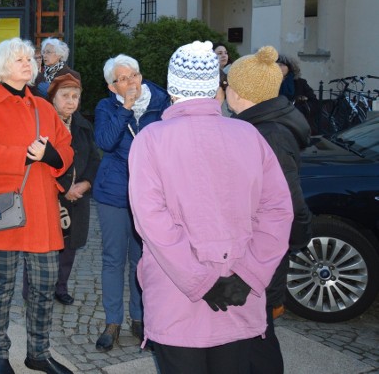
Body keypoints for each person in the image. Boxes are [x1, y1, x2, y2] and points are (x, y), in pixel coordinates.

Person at [128, 41, 293, 374]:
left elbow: (152, 223)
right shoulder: (248, 135)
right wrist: (249, 275)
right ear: (215, 88)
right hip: (239, 294)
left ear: (173, 88)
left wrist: (201, 281)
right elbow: (277, 213)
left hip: (178, 295)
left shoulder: (151, 139)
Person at [0, 37, 73, 374]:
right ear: (1, 66)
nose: (29, 64)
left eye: (31, 59)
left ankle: (38, 353)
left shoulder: (43, 106)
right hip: (4, 210)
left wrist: (51, 156)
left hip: (41, 211)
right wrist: (28, 155)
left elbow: (65, 147)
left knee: (44, 286)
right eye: (20, 60)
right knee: (0, 286)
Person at [226, 46, 312, 374]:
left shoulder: (268, 134)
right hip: (263, 251)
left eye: (230, 85)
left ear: (243, 93)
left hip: (265, 255)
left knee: (258, 337)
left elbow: (290, 205)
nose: (226, 91)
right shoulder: (263, 124)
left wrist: (286, 246)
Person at [93, 53, 170, 350]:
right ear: (112, 87)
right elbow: (105, 142)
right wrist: (125, 108)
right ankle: (113, 321)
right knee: (113, 259)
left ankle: (140, 319)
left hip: (150, 195)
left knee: (142, 259)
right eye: (121, 79)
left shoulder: (161, 102)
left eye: (133, 75)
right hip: (113, 193)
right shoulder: (106, 106)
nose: (129, 82)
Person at [23, 73, 100, 305]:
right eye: (65, 95)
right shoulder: (41, 124)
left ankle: (61, 286)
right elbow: (38, 161)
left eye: (75, 96)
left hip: (78, 196)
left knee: (70, 245)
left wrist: (85, 184)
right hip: (49, 195)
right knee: (40, 245)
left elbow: (95, 159)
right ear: (52, 98)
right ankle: (33, 289)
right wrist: (65, 187)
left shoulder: (83, 126)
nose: (71, 101)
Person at [276, 54, 319, 134]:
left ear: (290, 68)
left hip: (298, 125)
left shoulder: (300, 83)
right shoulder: (269, 84)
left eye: (281, 65)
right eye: (276, 65)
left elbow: (314, 103)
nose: (278, 68)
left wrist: (299, 109)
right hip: (277, 125)